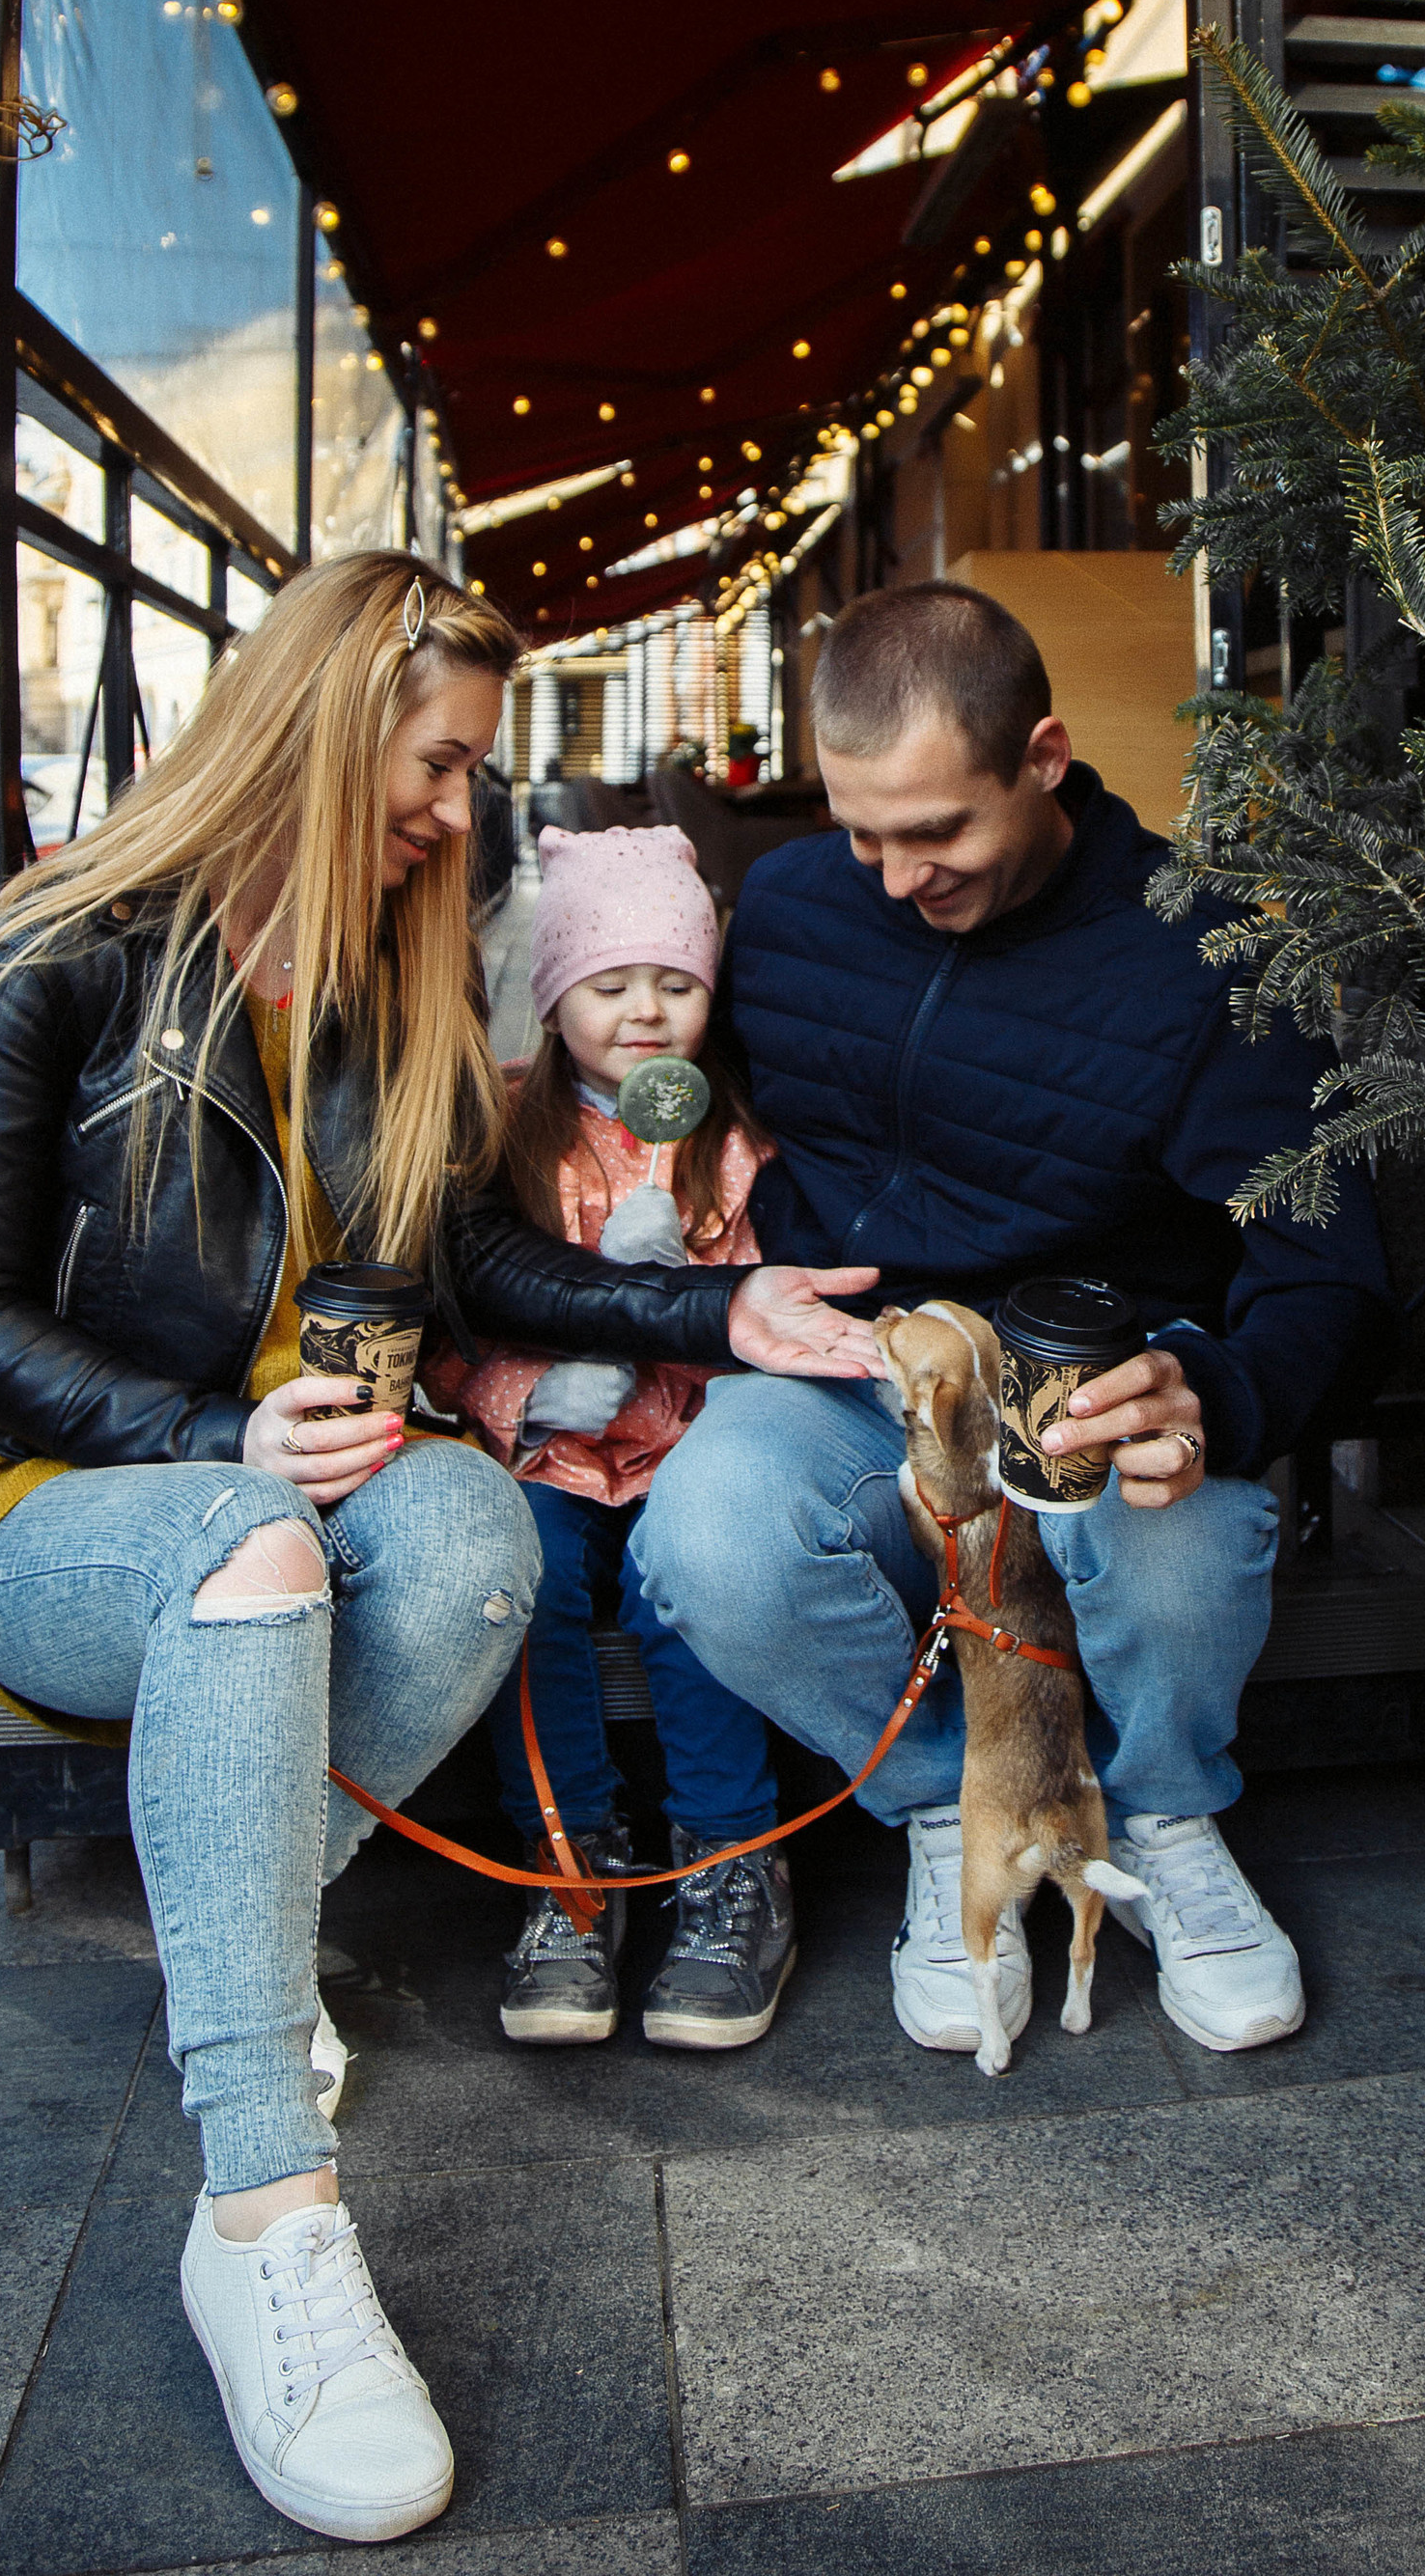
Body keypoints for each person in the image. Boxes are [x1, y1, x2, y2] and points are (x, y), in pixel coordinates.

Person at [0, 554, 878, 2549]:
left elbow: (476, 1266)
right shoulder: (66, 944)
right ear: (326, 723)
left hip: (335, 1472)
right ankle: (265, 2206)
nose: (458, 810)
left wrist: (718, 1312)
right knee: (254, 1550)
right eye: (438, 762)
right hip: (65, 1503)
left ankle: (240, 1959)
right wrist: (203, 1436)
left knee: (482, 1539)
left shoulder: (391, 974)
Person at [634, 580, 1391, 2064]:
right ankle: (946, 1808)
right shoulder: (787, 909)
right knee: (704, 1535)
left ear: (1043, 756)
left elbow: (1333, 1276)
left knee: (1178, 1536)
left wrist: (1214, 1396)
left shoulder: (1208, 957)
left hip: (1086, 1387)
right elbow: (671, 1105)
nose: (897, 875)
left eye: (939, 833)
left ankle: (1166, 1812)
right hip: (860, 1369)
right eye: (862, 832)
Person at [433, 822, 796, 2053]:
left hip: (688, 1442)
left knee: (682, 1590)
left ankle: (730, 1857)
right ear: (554, 997)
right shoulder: (501, 1137)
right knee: (523, 1576)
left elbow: (766, 1315)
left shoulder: (735, 1143)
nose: (645, 1013)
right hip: (556, 1453)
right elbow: (451, 1322)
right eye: (610, 985)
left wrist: (692, 1273)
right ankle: (566, 1854)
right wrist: (524, 1395)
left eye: (677, 984)